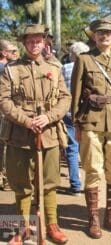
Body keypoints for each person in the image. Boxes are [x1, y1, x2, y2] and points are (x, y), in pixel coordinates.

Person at [0, 24, 70, 244]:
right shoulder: (10, 69)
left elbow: (65, 98)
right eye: (30, 41)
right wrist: (27, 121)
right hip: (19, 133)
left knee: (49, 182)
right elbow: (4, 100)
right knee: (20, 184)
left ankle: (51, 224)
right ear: (23, 43)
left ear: (44, 42)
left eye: (38, 40)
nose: (34, 44)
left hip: (48, 133)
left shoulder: (55, 67)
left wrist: (49, 117)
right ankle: (21, 229)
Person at [71, 17, 111, 239]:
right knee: (93, 170)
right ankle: (94, 221)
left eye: (108, 33)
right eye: (100, 33)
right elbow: (76, 94)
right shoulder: (84, 60)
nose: (104, 36)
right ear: (94, 37)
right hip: (91, 121)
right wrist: (76, 123)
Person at [62, 42, 90, 196]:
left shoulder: (64, 68)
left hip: (67, 112)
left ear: (73, 54)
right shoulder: (90, 67)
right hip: (86, 113)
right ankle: (91, 185)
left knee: (72, 149)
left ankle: (75, 185)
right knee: (89, 147)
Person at [0, 39, 19, 191]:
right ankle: (6, 180)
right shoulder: (6, 69)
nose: (16, 54)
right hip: (4, 113)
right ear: (3, 53)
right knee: (6, 144)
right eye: (13, 51)